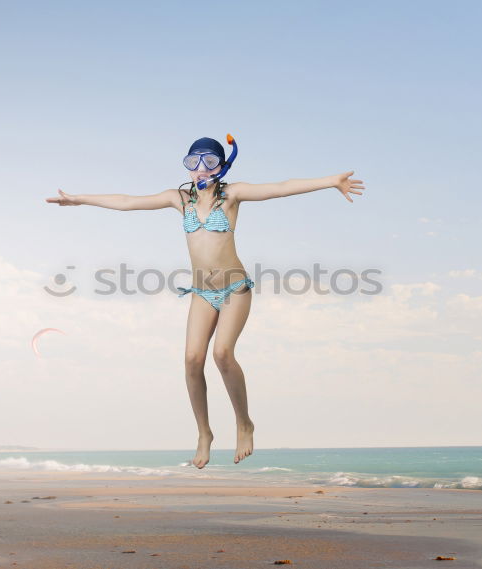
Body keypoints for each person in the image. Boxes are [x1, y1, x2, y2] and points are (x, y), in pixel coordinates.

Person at [45, 135, 365, 468]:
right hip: (201, 292)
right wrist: (80, 199)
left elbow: (281, 187)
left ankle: (244, 423)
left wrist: (331, 181)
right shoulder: (178, 199)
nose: (200, 170)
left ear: (221, 164)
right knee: (191, 359)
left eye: (208, 162)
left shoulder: (232, 195)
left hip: (234, 288)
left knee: (222, 353)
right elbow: (127, 201)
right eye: (192, 162)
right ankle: (204, 433)